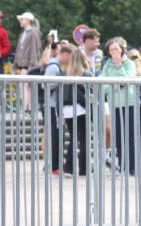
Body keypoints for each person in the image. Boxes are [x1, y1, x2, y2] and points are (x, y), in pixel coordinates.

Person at [101, 37, 138, 175]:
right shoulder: (107, 65)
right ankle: (122, 167)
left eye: (116, 49)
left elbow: (127, 79)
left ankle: (132, 168)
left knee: (130, 136)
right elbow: (102, 84)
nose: (114, 52)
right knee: (118, 137)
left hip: (129, 103)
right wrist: (116, 85)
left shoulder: (129, 63)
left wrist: (119, 65)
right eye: (111, 49)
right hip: (114, 104)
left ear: (122, 50)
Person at [62, 48, 91, 176]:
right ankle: (84, 169)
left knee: (73, 138)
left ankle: (69, 168)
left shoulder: (66, 75)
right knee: (84, 139)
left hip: (67, 110)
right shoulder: (86, 74)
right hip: (81, 109)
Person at [44, 43, 71, 175]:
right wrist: (62, 81)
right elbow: (46, 84)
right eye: (70, 57)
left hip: (55, 104)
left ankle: (55, 164)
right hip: (53, 105)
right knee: (56, 134)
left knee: (58, 134)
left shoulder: (56, 65)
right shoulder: (54, 66)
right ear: (65, 55)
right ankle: (55, 166)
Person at [14, 12, 42, 110]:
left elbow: (34, 48)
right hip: (24, 64)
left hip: (28, 64)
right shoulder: (24, 33)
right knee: (26, 85)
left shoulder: (33, 32)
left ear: (28, 20)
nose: (20, 21)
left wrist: (32, 64)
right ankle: (28, 108)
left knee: (25, 85)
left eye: (22, 19)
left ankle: (26, 108)